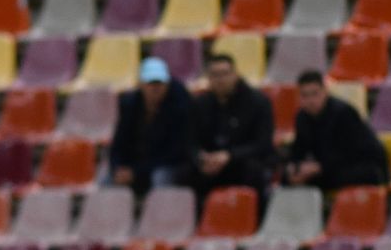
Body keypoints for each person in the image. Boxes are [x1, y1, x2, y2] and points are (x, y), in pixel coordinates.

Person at [286, 70, 388, 191]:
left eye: (314, 94)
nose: (310, 100)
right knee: (289, 180)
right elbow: (299, 149)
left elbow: (352, 153)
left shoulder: (343, 113)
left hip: (365, 167)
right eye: (305, 95)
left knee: (321, 180)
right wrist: (294, 167)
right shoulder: (302, 118)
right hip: (331, 167)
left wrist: (319, 167)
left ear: (325, 92)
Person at [107, 57, 194, 196]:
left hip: (169, 165)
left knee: (160, 177)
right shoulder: (129, 105)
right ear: (141, 84)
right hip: (138, 165)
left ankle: (162, 217)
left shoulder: (180, 106)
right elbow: (118, 143)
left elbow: (176, 152)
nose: (155, 88)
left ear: (167, 84)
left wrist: (136, 171)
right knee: (107, 179)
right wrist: (117, 168)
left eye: (159, 83)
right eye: (150, 83)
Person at [192, 53, 274, 200]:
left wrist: (230, 156)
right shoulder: (200, 104)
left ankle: (254, 219)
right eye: (215, 75)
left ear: (235, 75)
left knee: (253, 171)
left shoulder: (257, 102)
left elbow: (263, 144)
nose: (220, 80)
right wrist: (201, 156)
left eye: (225, 74)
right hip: (212, 164)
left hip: (243, 162)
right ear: (208, 78)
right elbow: (190, 140)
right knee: (184, 172)